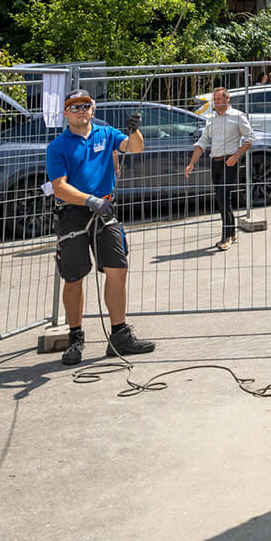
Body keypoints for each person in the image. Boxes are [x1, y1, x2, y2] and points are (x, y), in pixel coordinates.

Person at [46, 89, 156, 367]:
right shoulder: (58, 146)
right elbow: (59, 186)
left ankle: (119, 335)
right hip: (73, 214)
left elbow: (135, 147)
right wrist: (89, 200)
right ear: (66, 113)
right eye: (74, 106)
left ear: (92, 109)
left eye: (85, 105)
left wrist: (135, 131)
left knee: (118, 269)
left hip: (106, 211)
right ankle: (75, 337)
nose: (81, 110)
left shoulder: (106, 135)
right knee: (74, 278)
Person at [185, 86, 254, 251]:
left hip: (229, 162)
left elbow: (250, 138)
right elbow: (202, 142)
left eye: (219, 99)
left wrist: (236, 156)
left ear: (227, 99)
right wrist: (192, 163)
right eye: (214, 99)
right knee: (221, 198)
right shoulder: (211, 119)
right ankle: (232, 231)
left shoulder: (238, 116)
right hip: (215, 163)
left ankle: (226, 237)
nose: (216, 102)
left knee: (223, 198)